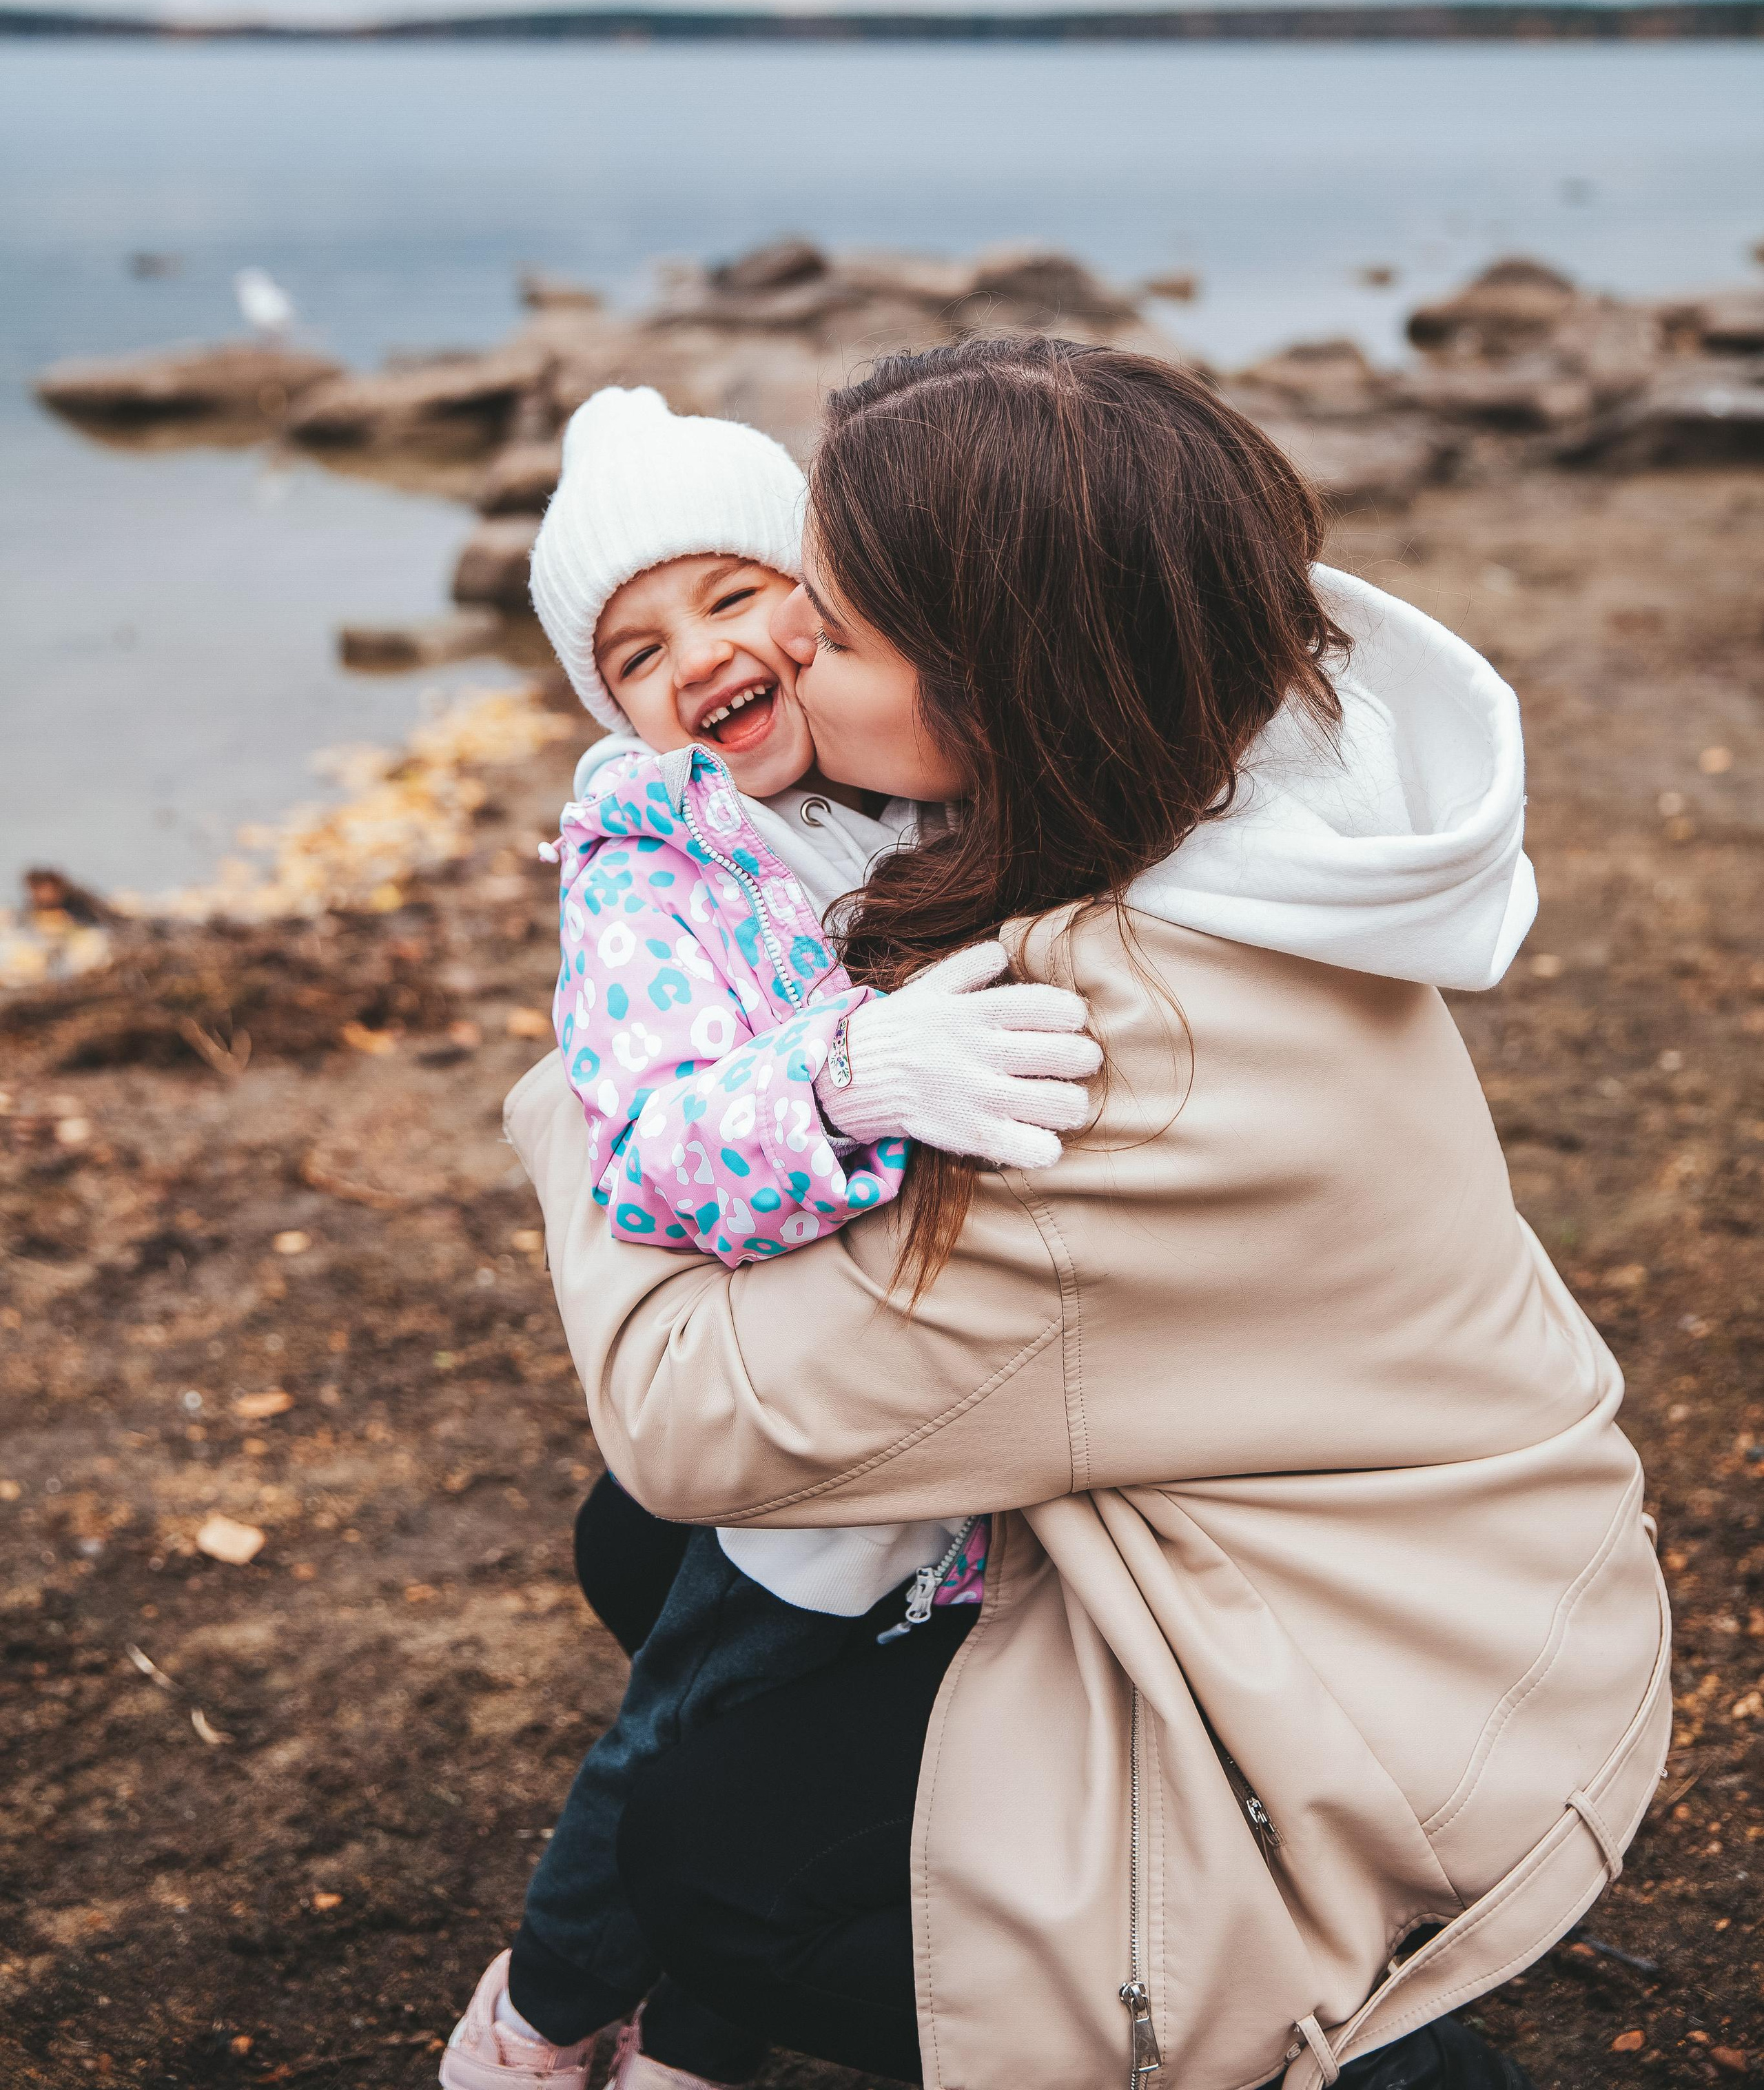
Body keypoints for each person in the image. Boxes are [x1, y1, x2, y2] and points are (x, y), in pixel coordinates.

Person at [504, 339, 1669, 2090]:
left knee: (708, 1850)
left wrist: (574, 1098)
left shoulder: (1096, 1049)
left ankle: (1346, 2032)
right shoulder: (1211, 789)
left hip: (1393, 1692)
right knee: (639, 1555)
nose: (780, 658)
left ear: (995, 677)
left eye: (825, 620)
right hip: (1398, 1524)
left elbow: (687, 1414)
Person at [442, 385, 1098, 2090]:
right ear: (613, 711)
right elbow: (651, 1149)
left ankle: (703, 2043)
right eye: (637, 649)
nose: (702, 656)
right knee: (690, 1731)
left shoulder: (921, 783)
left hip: (983, 1422)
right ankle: (537, 2016)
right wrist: (847, 1072)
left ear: (826, 597)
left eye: (736, 595)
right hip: (805, 1423)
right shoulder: (651, 866)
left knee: (860, 1774)